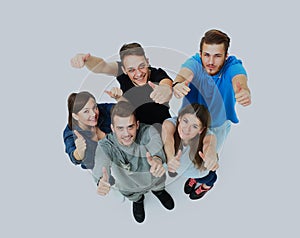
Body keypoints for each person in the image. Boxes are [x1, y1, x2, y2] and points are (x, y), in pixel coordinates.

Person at [164, 29, 252, 170]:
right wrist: (177, 84)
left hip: (217, 124)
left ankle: (204, 182)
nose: (210, 61)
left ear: (226, 56)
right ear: (200, 54)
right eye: (206, 55)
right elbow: (183, 74)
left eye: (217, 56)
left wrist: (244, 91)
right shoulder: (194, 63)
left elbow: (239, 79)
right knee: (185, 153)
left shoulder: (232, 66)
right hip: (191, 121)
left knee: (208, 160)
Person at [92, 101, 174, 223]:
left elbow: (156, 146)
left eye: (130, 127)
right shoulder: (106, 145)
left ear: (137, 124)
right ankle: (138, 200)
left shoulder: (149, 131)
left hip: (153, 178)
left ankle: (159, 191)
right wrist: (100, 180)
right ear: (112, 128)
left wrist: (157, 160)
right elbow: (101, 162)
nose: (126, 134)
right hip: (129, 186)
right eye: (120, 128)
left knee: (158, 183)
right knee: (132, 194)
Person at [70, 42, 173, 128]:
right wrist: (86, 59)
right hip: (132, 130)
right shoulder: (122, 73)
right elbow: (102, 66)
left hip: (160, 129)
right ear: (123, 69)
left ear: (147, 62)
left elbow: (166, 83)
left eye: (142, 66)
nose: (138, 73)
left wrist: (165, 89)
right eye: (131, 70)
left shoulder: (157, 74)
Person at [162, 103, 217, 200]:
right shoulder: (170, 124)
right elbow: (168, 140)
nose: (187, 129)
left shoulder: (208, 135)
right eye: (185, 121)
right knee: (196, 176)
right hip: (189, 170)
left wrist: (211, 157)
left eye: (195, 126)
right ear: (179, 118)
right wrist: (170, 158)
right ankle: (194, 179)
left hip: (201, 171)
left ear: (201, 130)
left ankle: (206, 187)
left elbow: (209, 145)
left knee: (209, 178)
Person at [63, 91, 115, 170]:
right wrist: (79, 152)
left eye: (95, 107)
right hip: (106, 170)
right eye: (86, 111)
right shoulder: (70, 133)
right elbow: (73, 156)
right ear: (75, 116)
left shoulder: (102, 110)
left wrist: (119, 99)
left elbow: (123, 110)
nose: (93, 114)